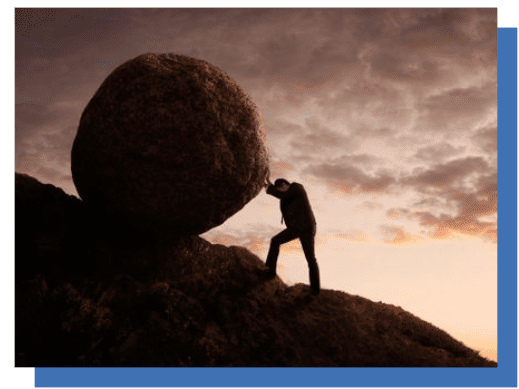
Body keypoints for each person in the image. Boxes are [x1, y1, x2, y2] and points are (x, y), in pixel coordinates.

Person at [264, 177, 320, 295]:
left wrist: (268, 188)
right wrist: (270, 185)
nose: (281, 191)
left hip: (306, 228)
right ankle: (270, 271)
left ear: (286, 184)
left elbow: (281, 194)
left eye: (282, 188)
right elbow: (281, 195)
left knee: (310, 258)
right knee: (275, 241)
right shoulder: (285, 196)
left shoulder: (297, 187)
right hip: (295, 229)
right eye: (280, 189)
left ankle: (315, 289)